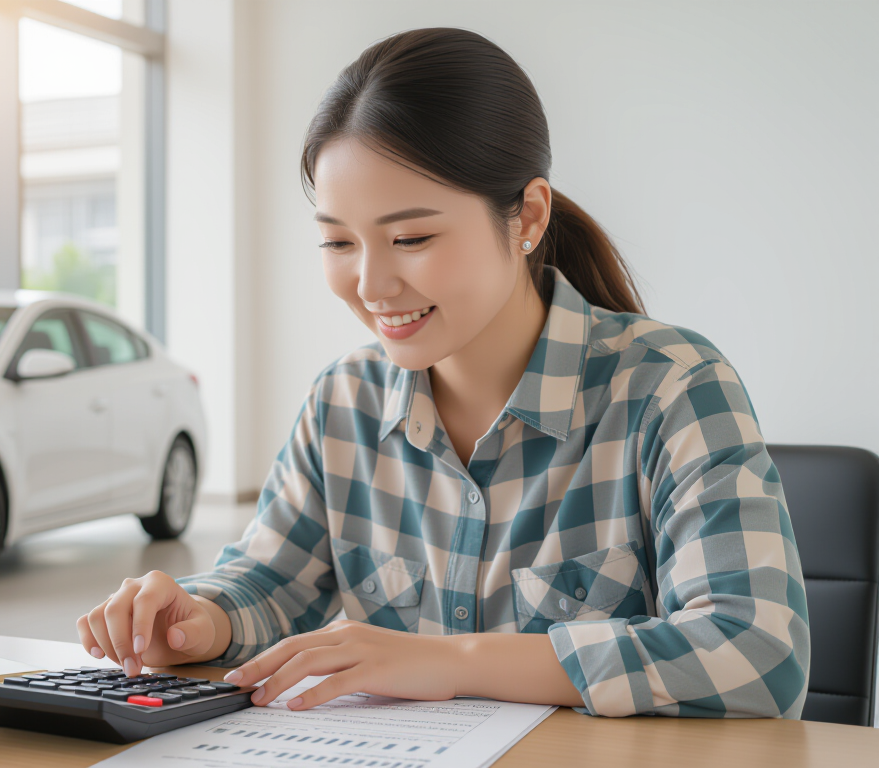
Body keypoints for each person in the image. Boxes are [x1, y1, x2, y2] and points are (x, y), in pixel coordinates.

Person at [76, 27, 809, 719]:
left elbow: (758, 651)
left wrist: (452, 661)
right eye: (337, 242)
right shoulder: (345, 400)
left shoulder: (673, 386)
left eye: (411, 237)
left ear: (526, 217)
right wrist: (195, 621)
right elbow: (270, 581)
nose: (371, 283)